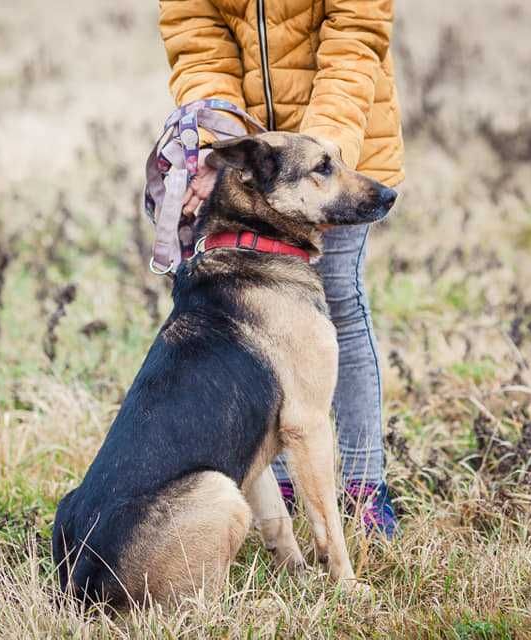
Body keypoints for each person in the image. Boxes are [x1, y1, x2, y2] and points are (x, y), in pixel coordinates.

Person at [159, 0, 404, 537]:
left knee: (337, 299)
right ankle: (285, 486)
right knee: (241, 325)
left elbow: (356, 33)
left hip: (337, 146)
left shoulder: (326, 158)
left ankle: (363, 485)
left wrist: (320, 158)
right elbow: (196, 34)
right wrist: (217, 143)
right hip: (250, 166)